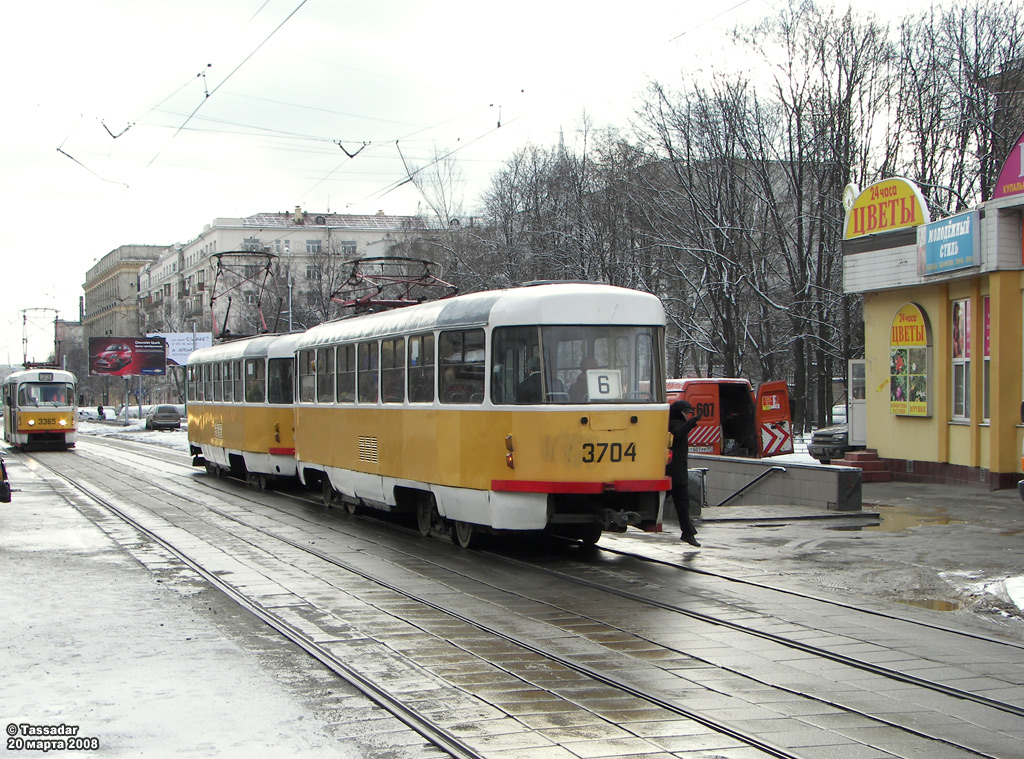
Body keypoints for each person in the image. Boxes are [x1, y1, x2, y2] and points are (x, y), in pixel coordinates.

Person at [667, 399, 703, 547]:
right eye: (687, 413)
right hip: (675, 471)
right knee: (682, 503)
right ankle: (687, 533)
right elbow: (678, 434)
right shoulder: (675, 423)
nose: (688, 416)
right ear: (680, 413)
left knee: (682, 503)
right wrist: (692, 423)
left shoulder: (672, 422)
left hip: (675, 470)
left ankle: (688, 532)